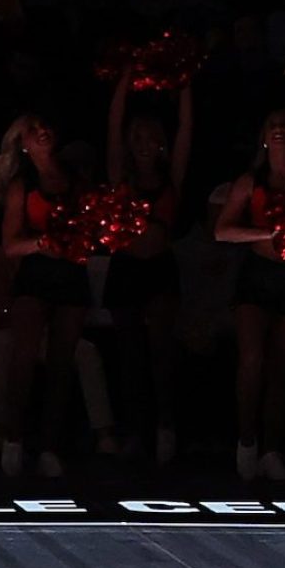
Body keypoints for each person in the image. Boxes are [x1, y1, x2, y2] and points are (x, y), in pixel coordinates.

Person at [214, 98, 285, 483]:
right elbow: (223, 230)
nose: (278, 128)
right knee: (252, 359)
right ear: (263, 139)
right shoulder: (250, 182)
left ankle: (271, 449)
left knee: (282, 368)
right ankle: (246, 441)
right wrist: (271, 233)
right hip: (257, 277)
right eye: (271, 124)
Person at [0, 114, 93, 479]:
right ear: (24, 144)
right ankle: (14, 440)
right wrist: (42, 243)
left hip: (72, 277)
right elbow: (10, 245)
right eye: (32, 130)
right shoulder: (22, 185)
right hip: (35, 277)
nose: (42, 132)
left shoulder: (76, 176)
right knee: (24, 359)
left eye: (44, 126)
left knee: (62, 364)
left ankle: (49, 447)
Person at [104, 66, 192, 467]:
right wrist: (127, 77)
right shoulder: (119, 175)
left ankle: (167, 428)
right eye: (136, 137)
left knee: (160, 351)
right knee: (129, 356)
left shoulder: (171, 176)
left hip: (159, 270)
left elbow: (187, 128)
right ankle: (136, 433)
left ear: (160, 143)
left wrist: (182, 77)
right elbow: (113, 122)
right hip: (125, 271)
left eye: (150, 137)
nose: (143, 143)